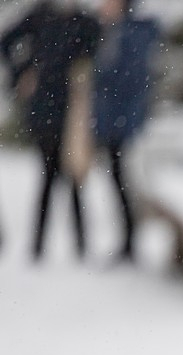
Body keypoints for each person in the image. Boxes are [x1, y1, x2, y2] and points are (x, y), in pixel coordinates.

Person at [0, 0, 99, 261]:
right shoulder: (40, 16)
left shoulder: (85, 22)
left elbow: (96, 58)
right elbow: (7, 41)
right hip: (45, 108)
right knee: (47, 176)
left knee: (74, 176)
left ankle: (82, 245)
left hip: (74, 111)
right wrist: (23, 73)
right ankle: (39, 244)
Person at [91, 0, 159, 262]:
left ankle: (131, 241)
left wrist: (102, 77)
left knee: (125, 183)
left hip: (125, 125)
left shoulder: (133, 33)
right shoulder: (113, 31)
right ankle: (127, 239)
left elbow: (129, 78)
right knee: (117, 181)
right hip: (114, 123)